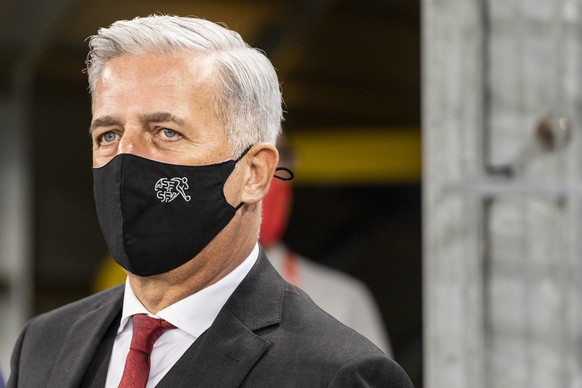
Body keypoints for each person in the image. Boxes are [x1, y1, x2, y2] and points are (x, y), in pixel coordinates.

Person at [8, 15, 413, 387]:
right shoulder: (44, 343)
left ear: (254, 173)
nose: (125, 158)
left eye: (166, 132)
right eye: (108, 135)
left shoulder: (336, 374)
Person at [260, 134, 393, 355]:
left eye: (280, 155)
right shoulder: (185, 294)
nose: (268, 171)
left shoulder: (339, 301)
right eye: (251, 152)